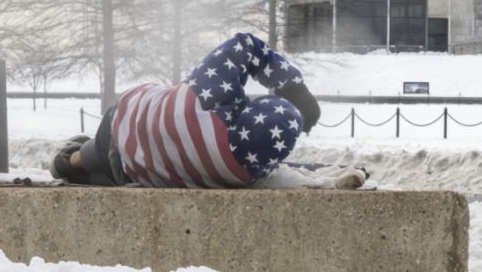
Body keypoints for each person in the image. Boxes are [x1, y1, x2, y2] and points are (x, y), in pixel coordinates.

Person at [51, 33, 325, 188]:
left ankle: (68, 160)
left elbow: (245, 45)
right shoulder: (242, 173)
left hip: (125, 121)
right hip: (136, 171)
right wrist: (311, 167)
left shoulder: (210, 97)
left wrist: (292, 86)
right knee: (102, 173)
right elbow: (274, 168)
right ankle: (79, 167)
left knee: (89, 155)